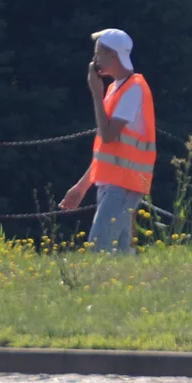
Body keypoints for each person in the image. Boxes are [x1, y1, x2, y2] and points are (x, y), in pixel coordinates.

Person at [59, 29, 156, 254]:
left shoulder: (133, 89)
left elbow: (109, 134)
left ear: (113, 56)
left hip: (123, 185)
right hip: (114, 184)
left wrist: (96, 93)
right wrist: (81, 187)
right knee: (121, 254)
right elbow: (108, 150)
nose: (94, 59)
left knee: (99, 248)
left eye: (98, 53)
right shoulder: (115, 89)